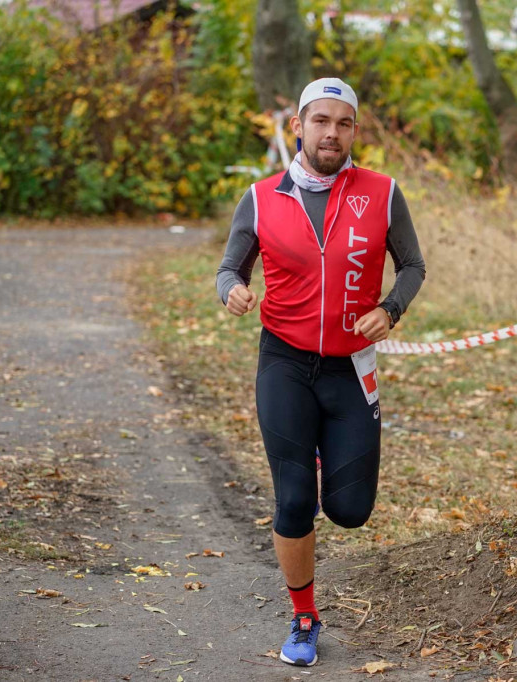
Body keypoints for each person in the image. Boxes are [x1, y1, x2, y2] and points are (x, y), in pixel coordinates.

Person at [215, 77, 426, 667]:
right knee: (292, 502)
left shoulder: (382, 192)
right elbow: (229, 267)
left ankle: (317, 467)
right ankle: (304, 619)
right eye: (321, 121)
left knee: (351, 511)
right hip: (283, 362)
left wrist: (391, 308)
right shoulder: (260, 198)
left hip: (350, 369)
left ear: (355, 130)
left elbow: (412, 265)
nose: (331, 133)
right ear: (298, 127)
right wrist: (232, 290)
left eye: (343, 123)